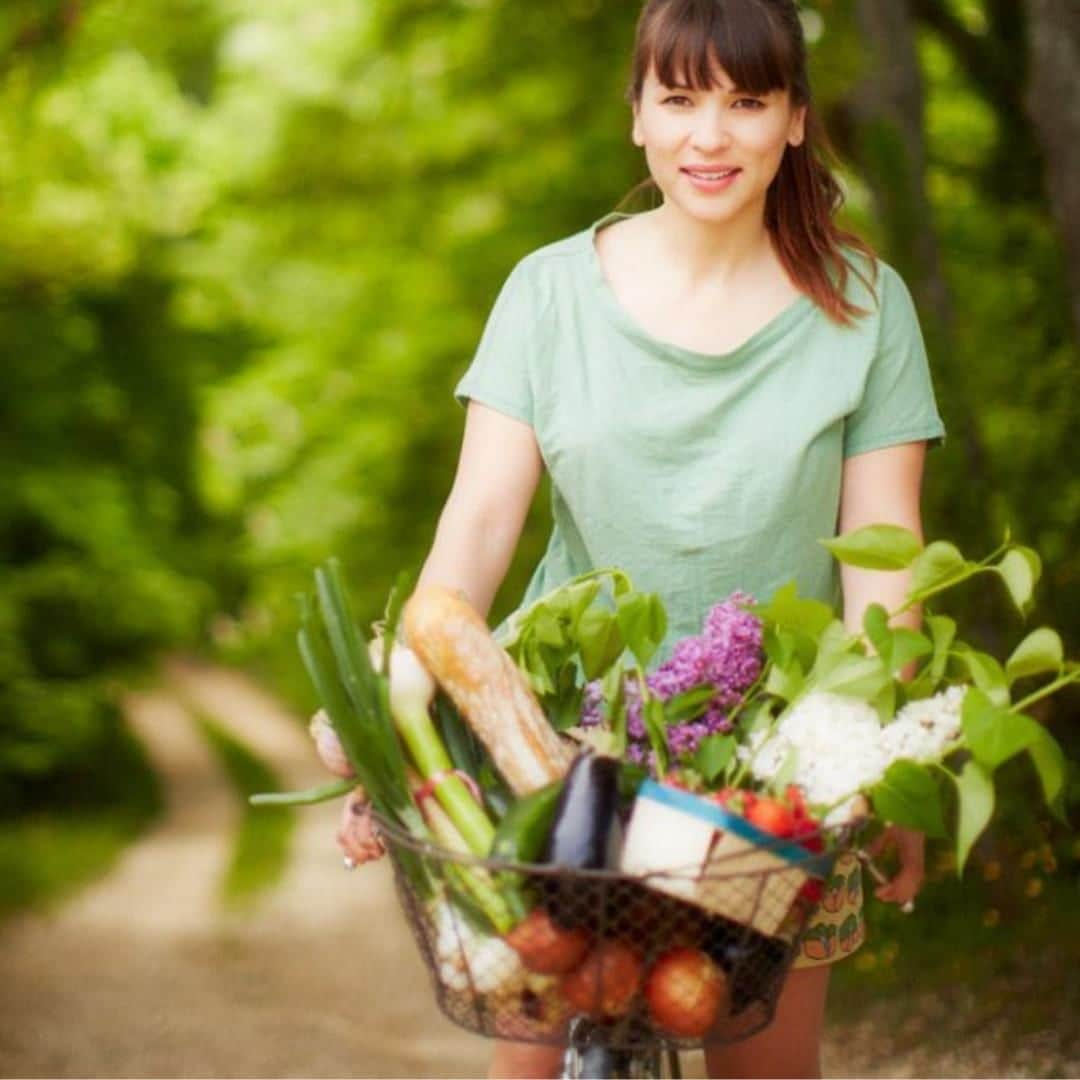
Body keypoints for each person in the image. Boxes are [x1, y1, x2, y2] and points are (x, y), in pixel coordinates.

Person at [336, 0, 945, 1075]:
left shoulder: (866, 307)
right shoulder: (548, 295)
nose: (709, 136)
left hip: (774, 760)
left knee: (764, 1060)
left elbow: (885, 551)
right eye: (679, 99)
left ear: (796, 120)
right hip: (552, 747)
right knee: (527, 1057)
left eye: (746, 100)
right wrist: (408, 728)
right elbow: (477, 526)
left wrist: (887, 756)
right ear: (637, 118)